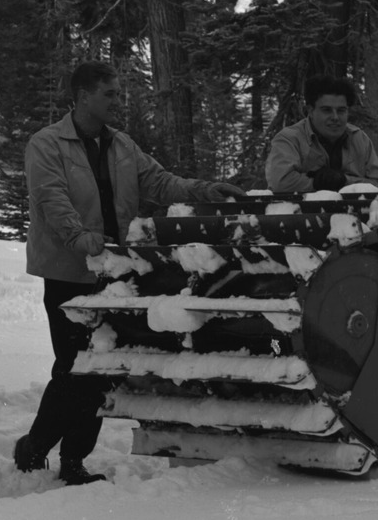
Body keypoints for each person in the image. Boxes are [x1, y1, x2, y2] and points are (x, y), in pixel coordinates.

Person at [16, 62, 247, 484]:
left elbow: (160, 184)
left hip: (114, 272)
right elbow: (51, 199)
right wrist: (81, 238)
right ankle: (35, 446)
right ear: (83, 96)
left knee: (101, 365)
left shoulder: (122, 146)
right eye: (109, 94)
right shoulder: (46, 144)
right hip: (69, 273)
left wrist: (202, 190)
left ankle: (72, 460)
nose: (117, 101)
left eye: (118, 93)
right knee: (74, 365)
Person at [264, 75, 378, 193]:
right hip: (300, 212)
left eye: (341, 110)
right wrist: (316, 183)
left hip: (353, 213)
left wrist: (344, 181)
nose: (335, 117)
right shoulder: (290, 139)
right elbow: (280, 183)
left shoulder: (359, 139)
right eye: (327, 110)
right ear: (310, 111)